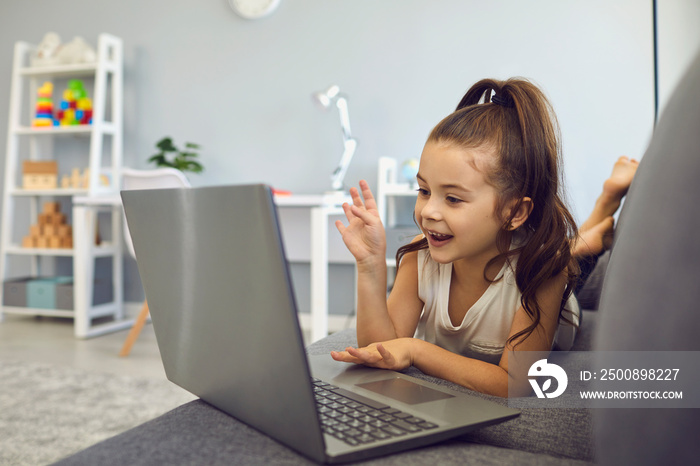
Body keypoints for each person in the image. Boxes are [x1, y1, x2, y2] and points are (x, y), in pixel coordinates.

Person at [331, 77, 637, 397]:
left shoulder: (543, 272)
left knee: (566, 259)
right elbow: (381, 351)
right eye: (424, 190)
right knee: (565, 252)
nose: (428, 211)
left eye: (453, 199)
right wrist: (369, 266)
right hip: (518, 251)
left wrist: (417, 350)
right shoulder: (417, 258)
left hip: (548, 282)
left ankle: (601, 211)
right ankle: (589, 233)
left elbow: (516, 382)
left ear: (514, 213)